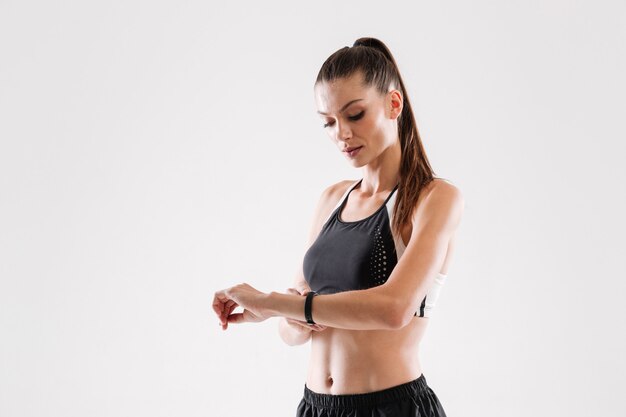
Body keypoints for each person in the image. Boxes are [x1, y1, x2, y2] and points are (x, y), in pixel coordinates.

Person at [212, 37, 464, 417]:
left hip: (392, 407)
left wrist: (271, 303)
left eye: (355, 115)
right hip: (315, 407)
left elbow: (394, 309)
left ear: (393, 104)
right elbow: (292, 328)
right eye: (328, 122)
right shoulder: (332, 199)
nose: (341, 134)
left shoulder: (434, 198)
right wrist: (290, 317)